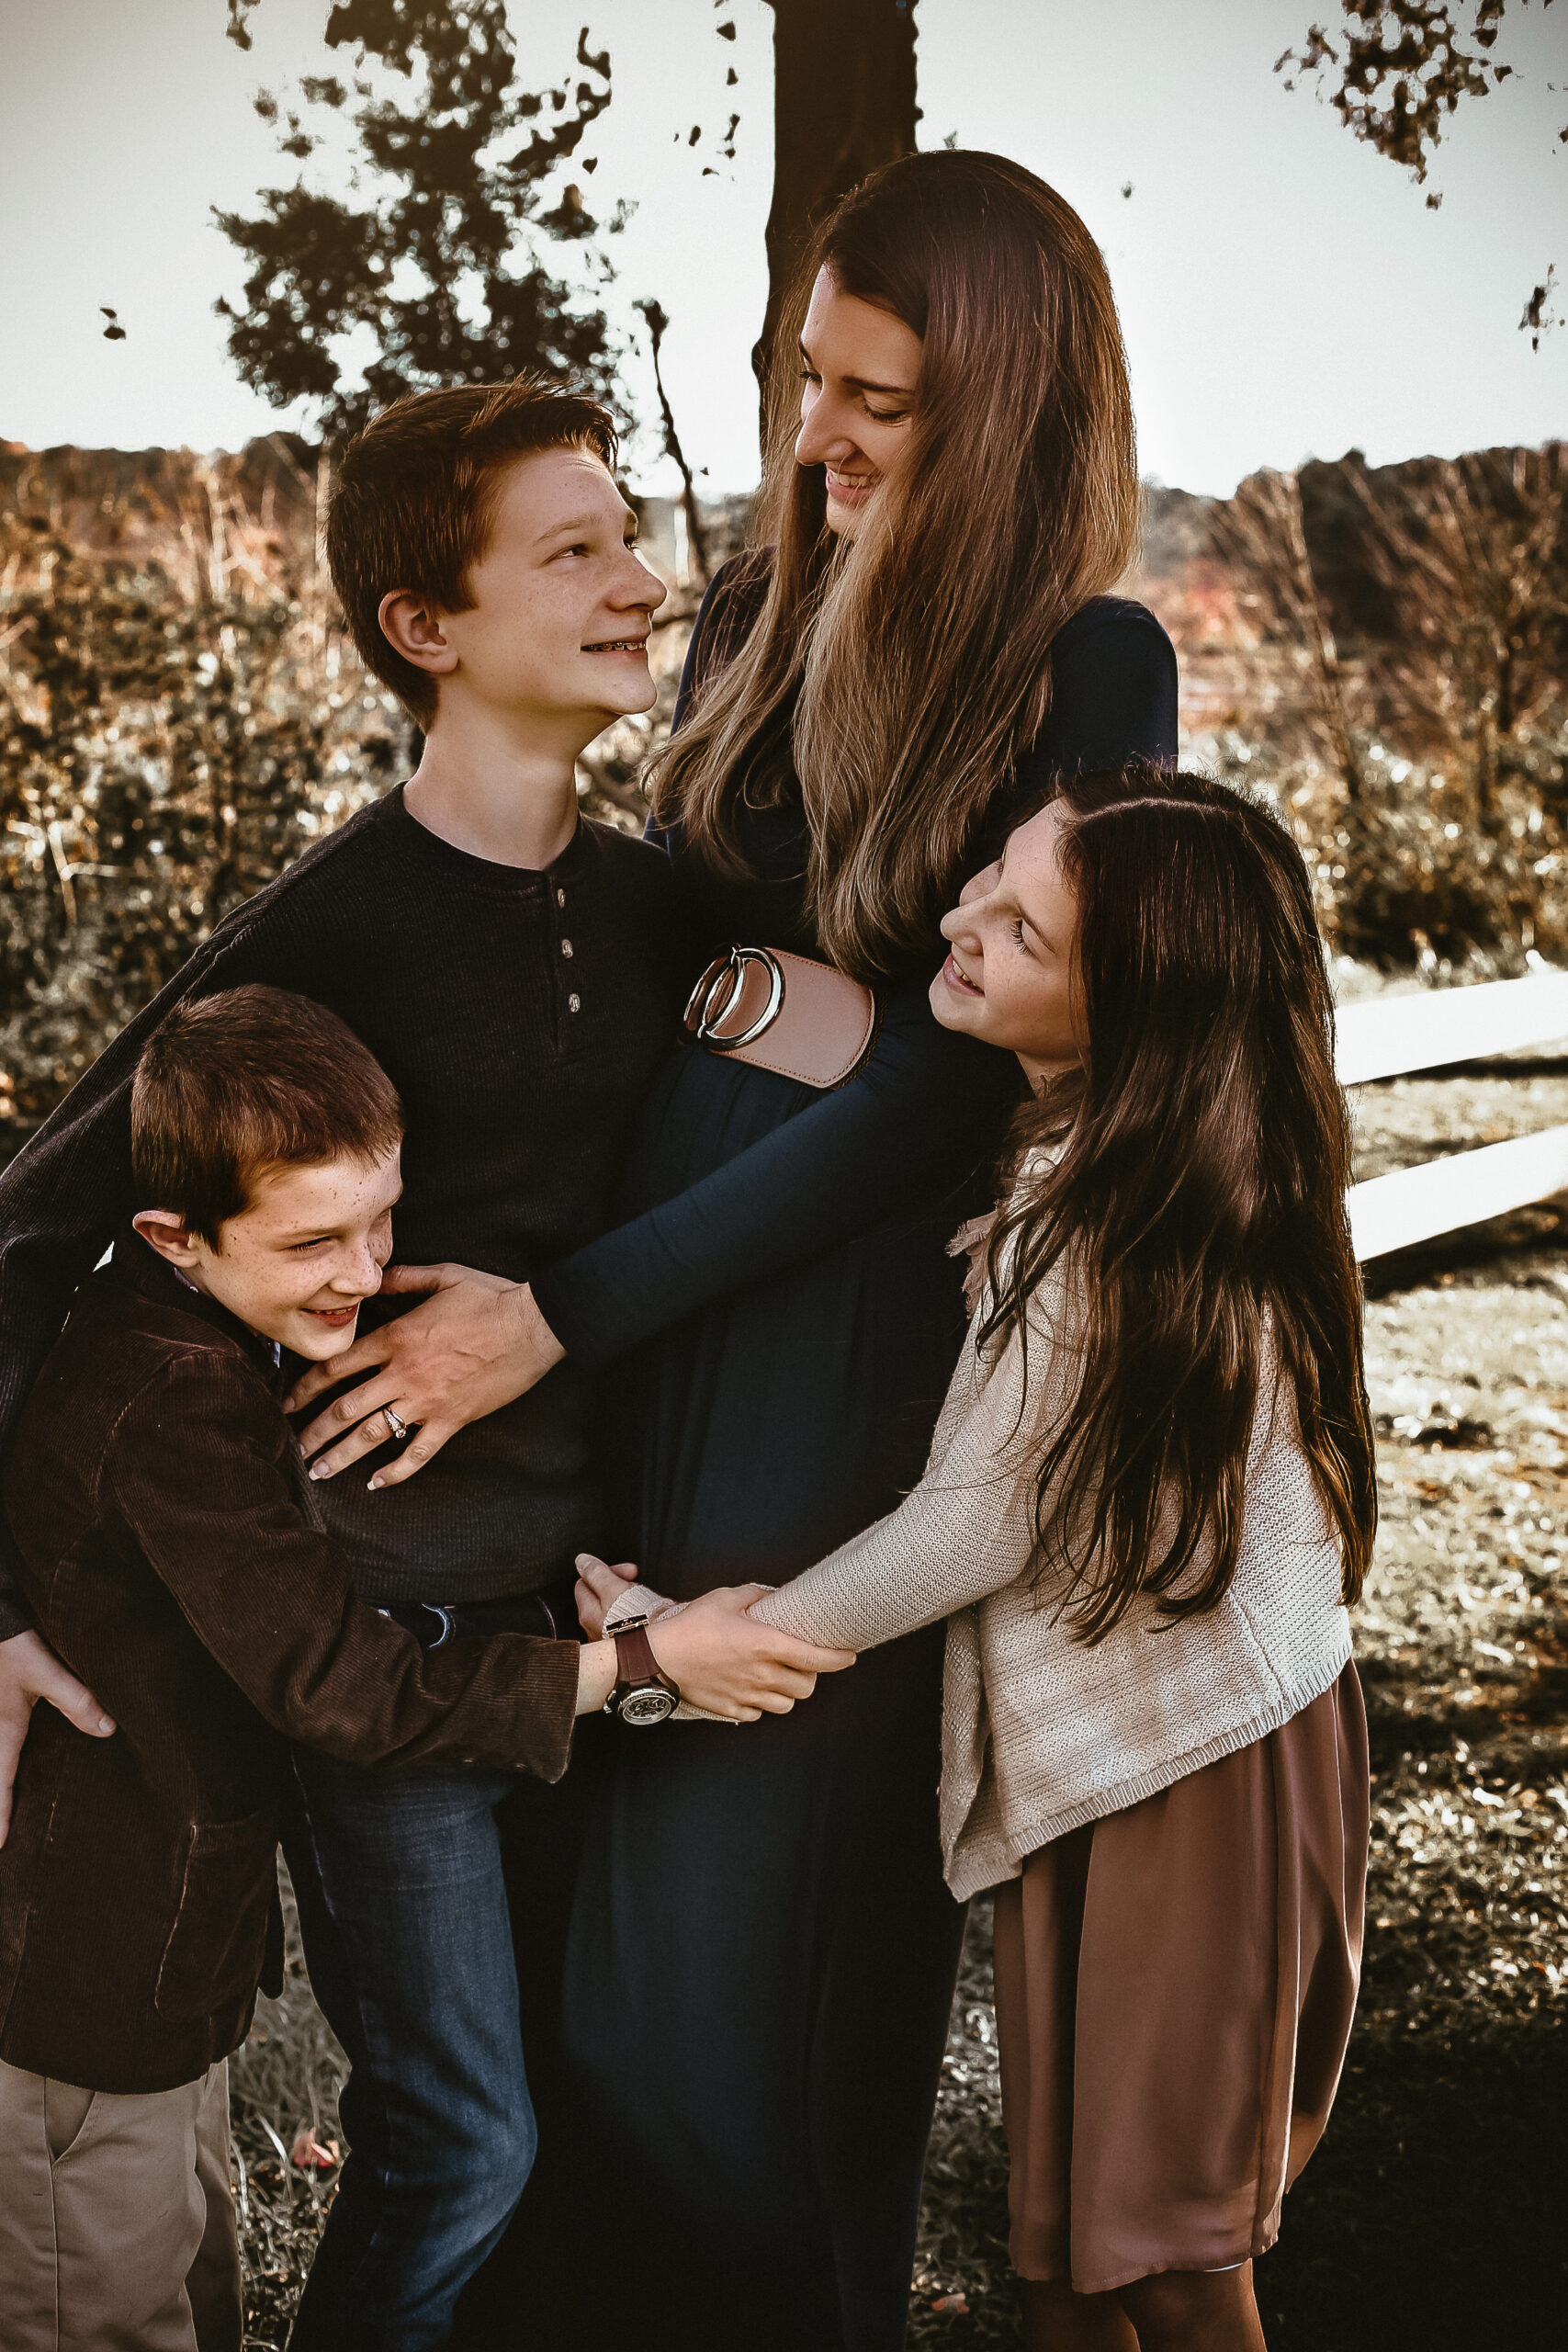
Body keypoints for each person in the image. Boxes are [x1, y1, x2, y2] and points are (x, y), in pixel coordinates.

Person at [290, 151, 1181, 2348]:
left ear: (1004, 399)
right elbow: (693, 950)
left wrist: (568, 1304)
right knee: (585, 1970)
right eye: (804, 377)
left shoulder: (1090, 659)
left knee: (740, 1978)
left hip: (823, 1361)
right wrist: (796, 1010)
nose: (816, 432)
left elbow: (978, 1071)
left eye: (876, 394)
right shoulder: (764, 621)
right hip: (638, 1352)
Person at [0, 376, 848, 2348]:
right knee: (460, 2133)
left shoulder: (660, 907)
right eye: (575, 549)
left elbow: (800, 1129)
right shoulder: (323, 936)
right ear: (424, 626)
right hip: (375, 1632)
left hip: (576, 1595)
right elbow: (33, 1238)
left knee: (574, 2119)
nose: (642, 579)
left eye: (629, 534)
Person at [585, 767, 1375, 2352]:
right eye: (991, 881)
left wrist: (677, 1662)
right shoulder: (1154, 1162)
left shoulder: (1101, 1230)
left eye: (1022, 928)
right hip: (1153, 1762)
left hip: (1186, 1775)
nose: (962, 921)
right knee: (1065, 2264)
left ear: (1124, 1013)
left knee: (1161, 2259)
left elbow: (973, 1525)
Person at [0, 985, 830, 2352]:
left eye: (382, 1218)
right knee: (102, 2318)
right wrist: (636, 1662)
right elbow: (344, 1687)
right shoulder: (170, 1399)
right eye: (314, 1239)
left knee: (186, 2300)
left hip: (161, 1979)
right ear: (171, 1236)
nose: (363, 1267)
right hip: (78, 1992)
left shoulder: (202, 1333)